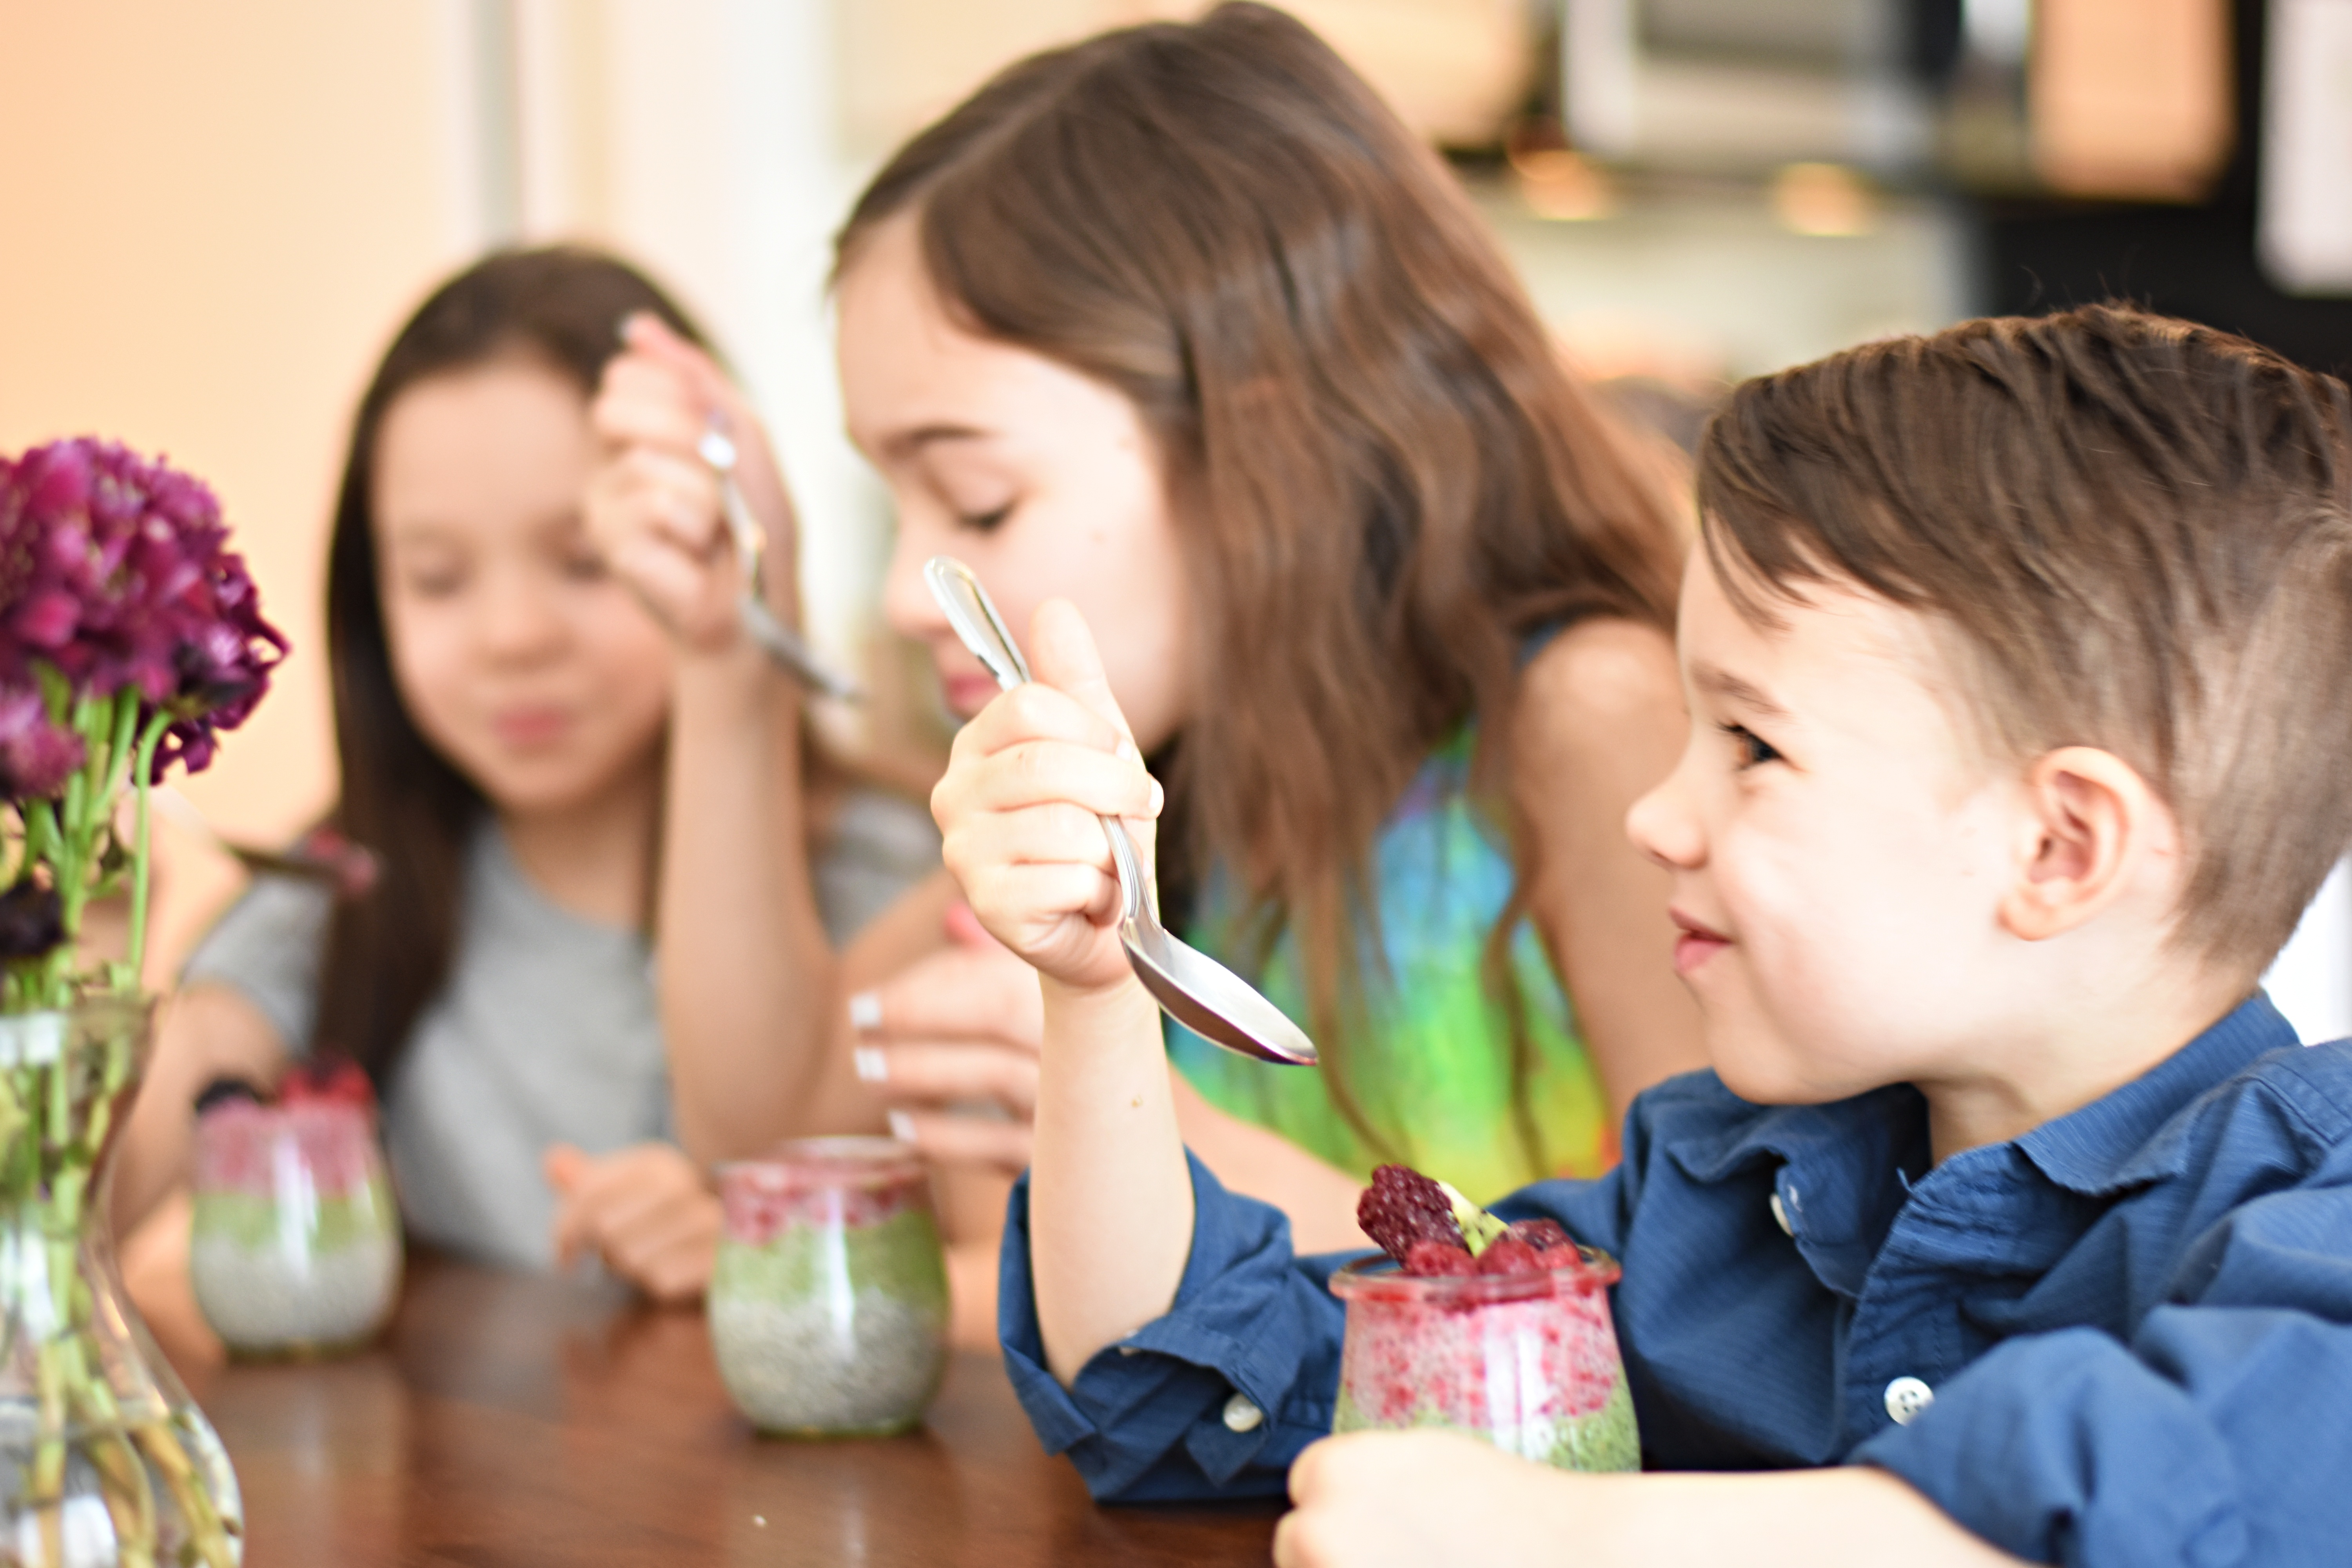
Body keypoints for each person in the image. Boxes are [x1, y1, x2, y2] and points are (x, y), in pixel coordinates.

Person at [942, 301, 2352, 1566]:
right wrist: (1098, 986)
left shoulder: (2311, 1218)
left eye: (1750, 745)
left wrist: (1579, 1534)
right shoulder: (1708, 1196)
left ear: (2058, 850)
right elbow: (1185, 1395)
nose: (1654, 819)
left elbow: (2187, 1500)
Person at [590, 4, 1708, 1293]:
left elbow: (1717, 1289)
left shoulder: (1584, 720)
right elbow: (771, 1130)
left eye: (981, 500)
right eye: (895, 503)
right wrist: (730, 655)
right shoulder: (1162, 773)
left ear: (1263, 442)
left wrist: (1160, 1141)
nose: (909, 589)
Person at [114, 247, 936, 1302]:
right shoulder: (338, 896)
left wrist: (743, 1241)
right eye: (438, 578)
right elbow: (129, 1148)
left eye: (587, 560)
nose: (513, 636)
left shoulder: (889, 875)